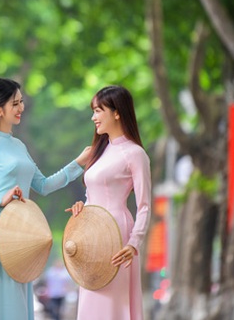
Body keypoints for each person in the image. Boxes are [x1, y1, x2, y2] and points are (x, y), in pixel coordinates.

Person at [0, 78, 91, 320]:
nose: (21, 108)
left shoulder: (18, 145)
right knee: (0, 298)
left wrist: (78, 164)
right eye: (15, 103)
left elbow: (43, 185)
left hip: (23, 232)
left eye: (21, 102)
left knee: (17, 298)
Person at [66, 85, 151, 320]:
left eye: (98, 110)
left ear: (117, 112)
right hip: (91, 236)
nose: (94, 117)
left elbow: (144, 205)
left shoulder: (135, 154)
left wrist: (134, 243)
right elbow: (91, 196)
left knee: (113, 303)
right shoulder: (98, 151)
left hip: (118, 235)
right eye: (93, 111)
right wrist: (82, 208)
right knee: (91, 299)